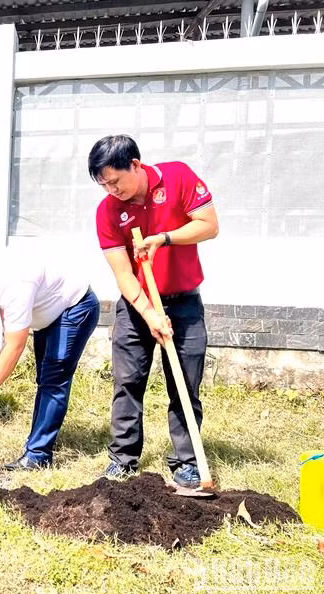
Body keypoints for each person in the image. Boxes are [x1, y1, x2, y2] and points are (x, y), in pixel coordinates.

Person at [89, 134, 219, 489]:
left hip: (185, 302)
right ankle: (123, 459)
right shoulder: (107, 211)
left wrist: (163, 238)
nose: (111, 190)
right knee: (128, 382)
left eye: (115, 181)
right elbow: (123, 274)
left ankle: (187, 462)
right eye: (104, 185)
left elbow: (209, 225)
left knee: (184, 382)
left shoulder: (177, 177)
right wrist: (149, 315)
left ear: (135, 164)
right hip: (137, 307)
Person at [0, 244, 99, 469]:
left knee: (53, 381)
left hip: (74, 308)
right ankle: (36, 445)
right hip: (48, 315)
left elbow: (16, 345)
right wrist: (3, 349)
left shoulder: (14, 280)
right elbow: (7, 316)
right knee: (44, 380)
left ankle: (37, 456)